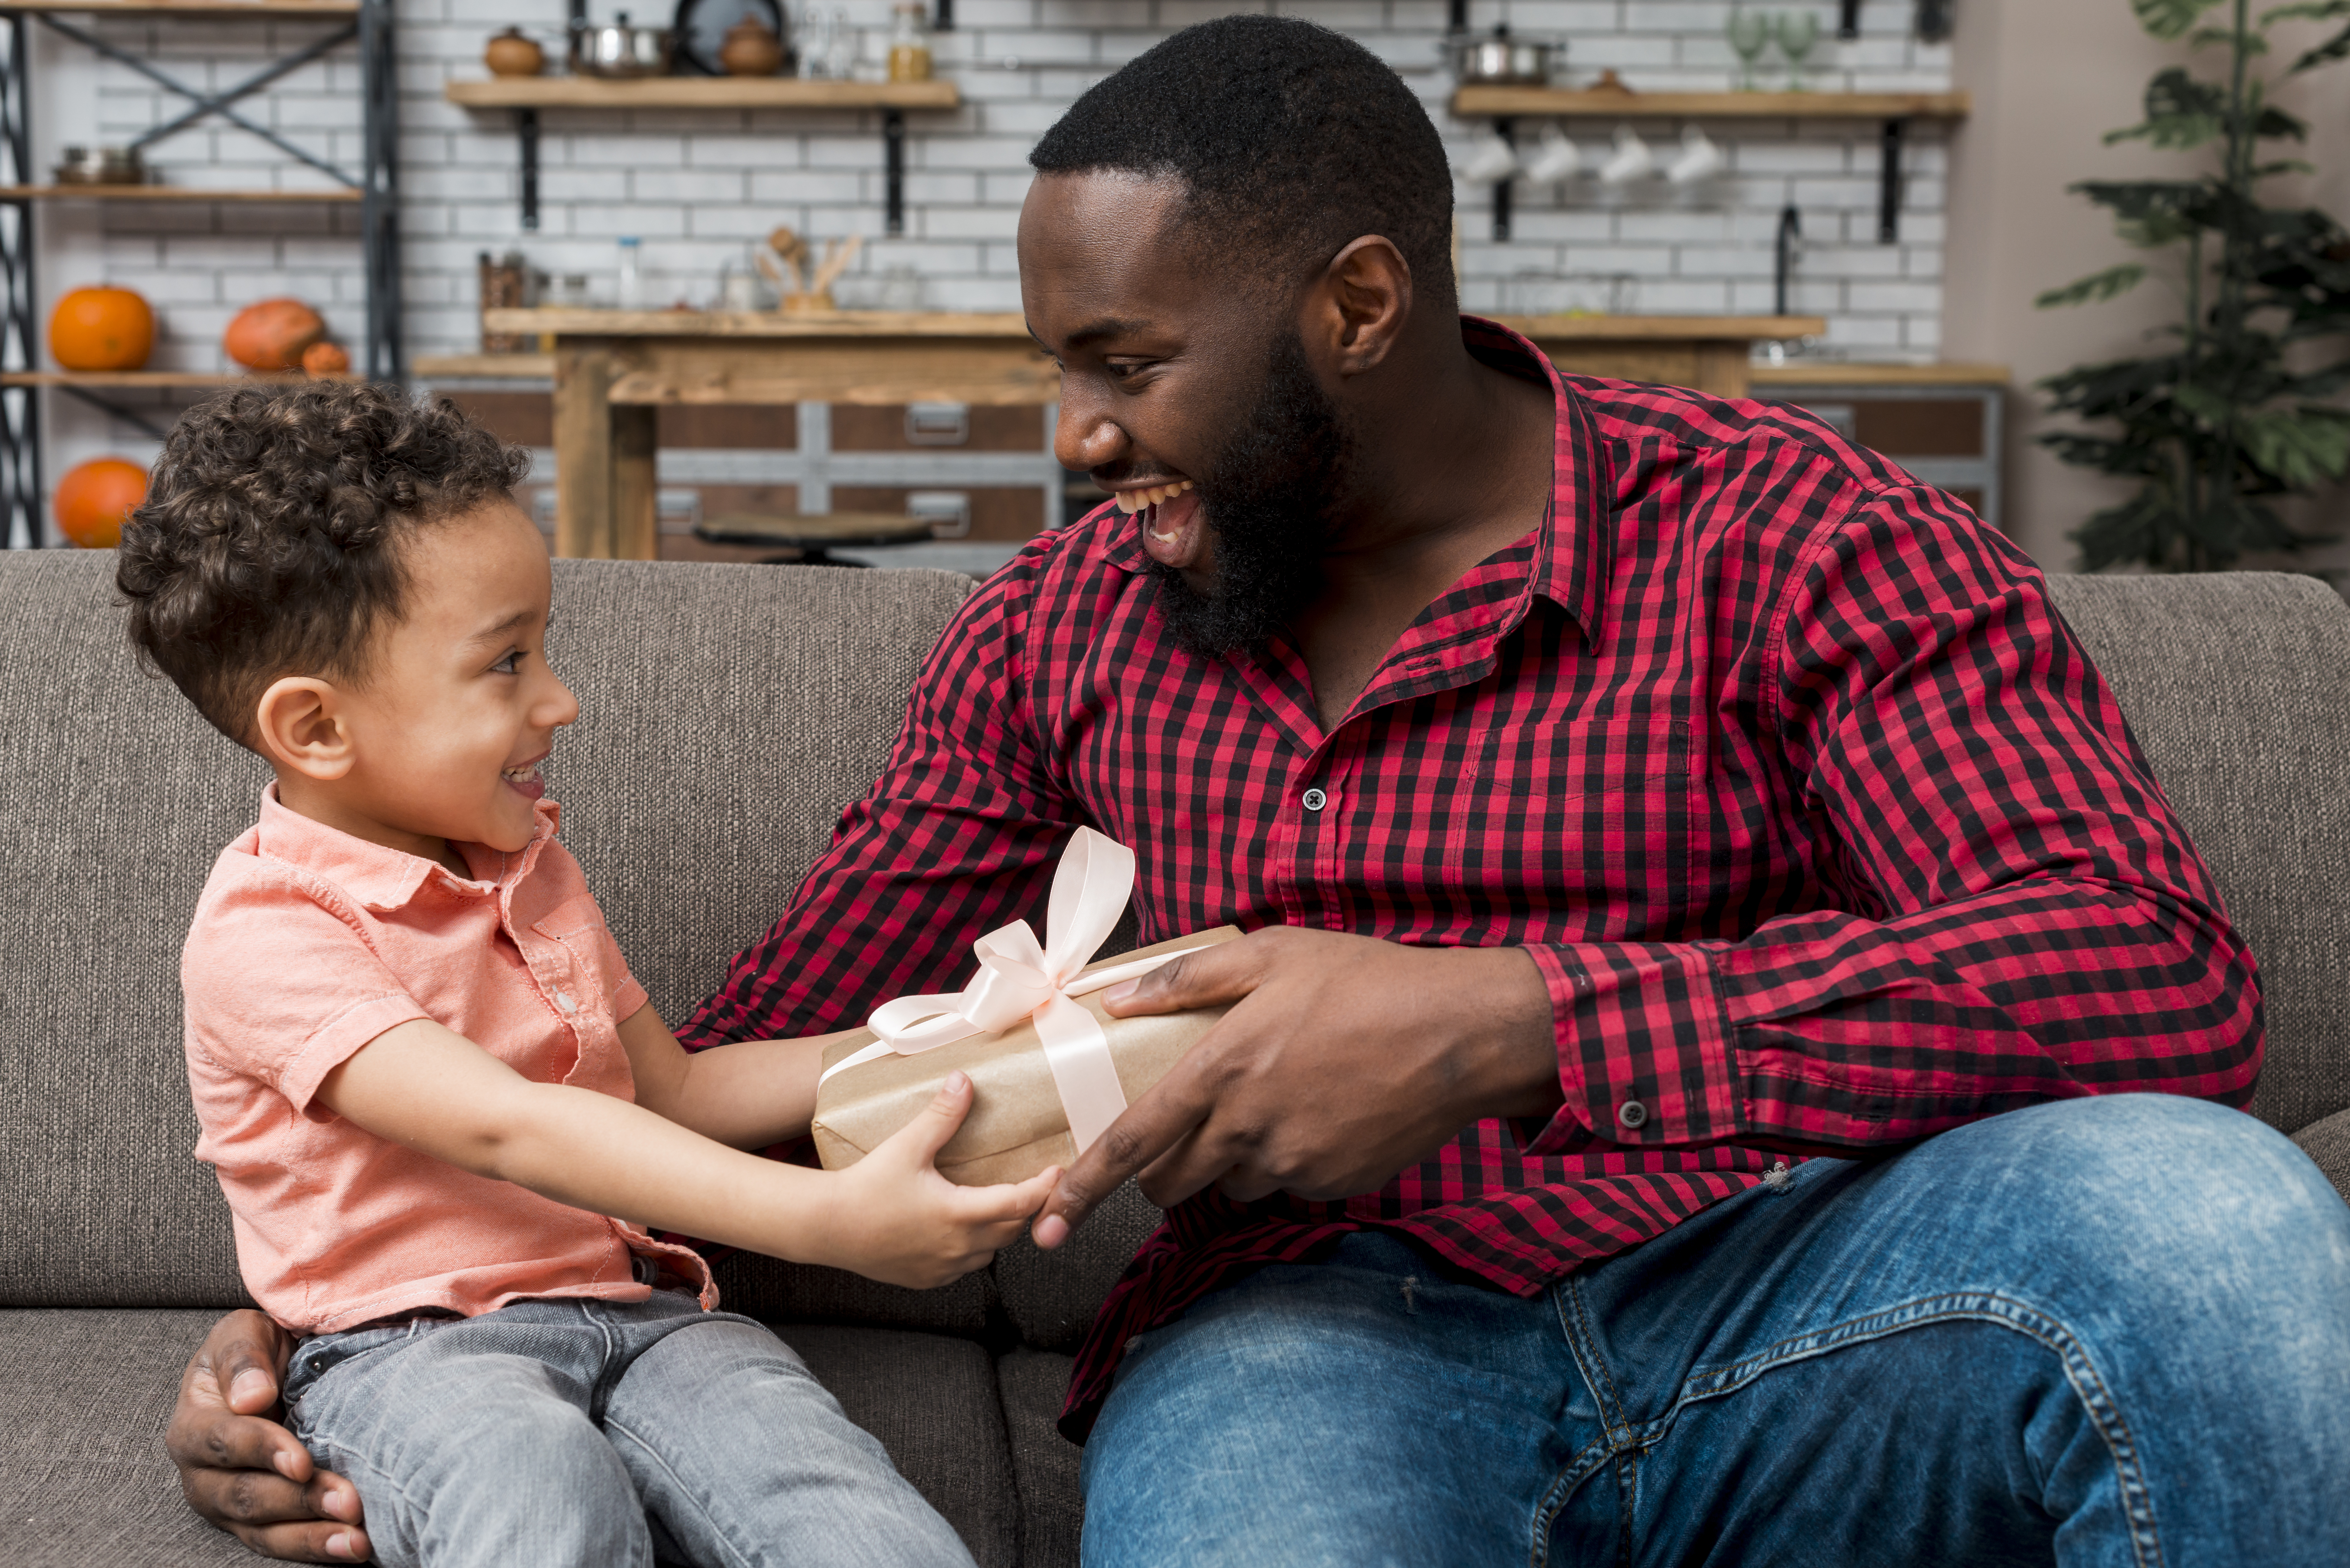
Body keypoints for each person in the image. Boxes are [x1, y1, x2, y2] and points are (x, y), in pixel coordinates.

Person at [171, 18, 2350, 1566]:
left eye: (1126, 365)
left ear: (1359, 307)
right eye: (1063, 372)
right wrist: (337, 1328)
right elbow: (696, 1089)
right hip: (1311, 1346)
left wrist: (1519, 1026)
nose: (1077, 439)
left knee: (2204, 1213)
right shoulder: (1060, 627)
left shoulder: (1790, 533)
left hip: (1808, 1293)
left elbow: (2152, 969)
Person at [125, 382, 1052, 1567]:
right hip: (411, 1353)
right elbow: (513, 1127)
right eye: (507, 662)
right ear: (314, 729)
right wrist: (827, 1220)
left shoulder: (530, 864)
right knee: (541, 1499)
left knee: (843, 1514)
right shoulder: (264, 932)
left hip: (649, 1318)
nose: (561, 699)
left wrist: (946, 1033)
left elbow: (668, 1092)